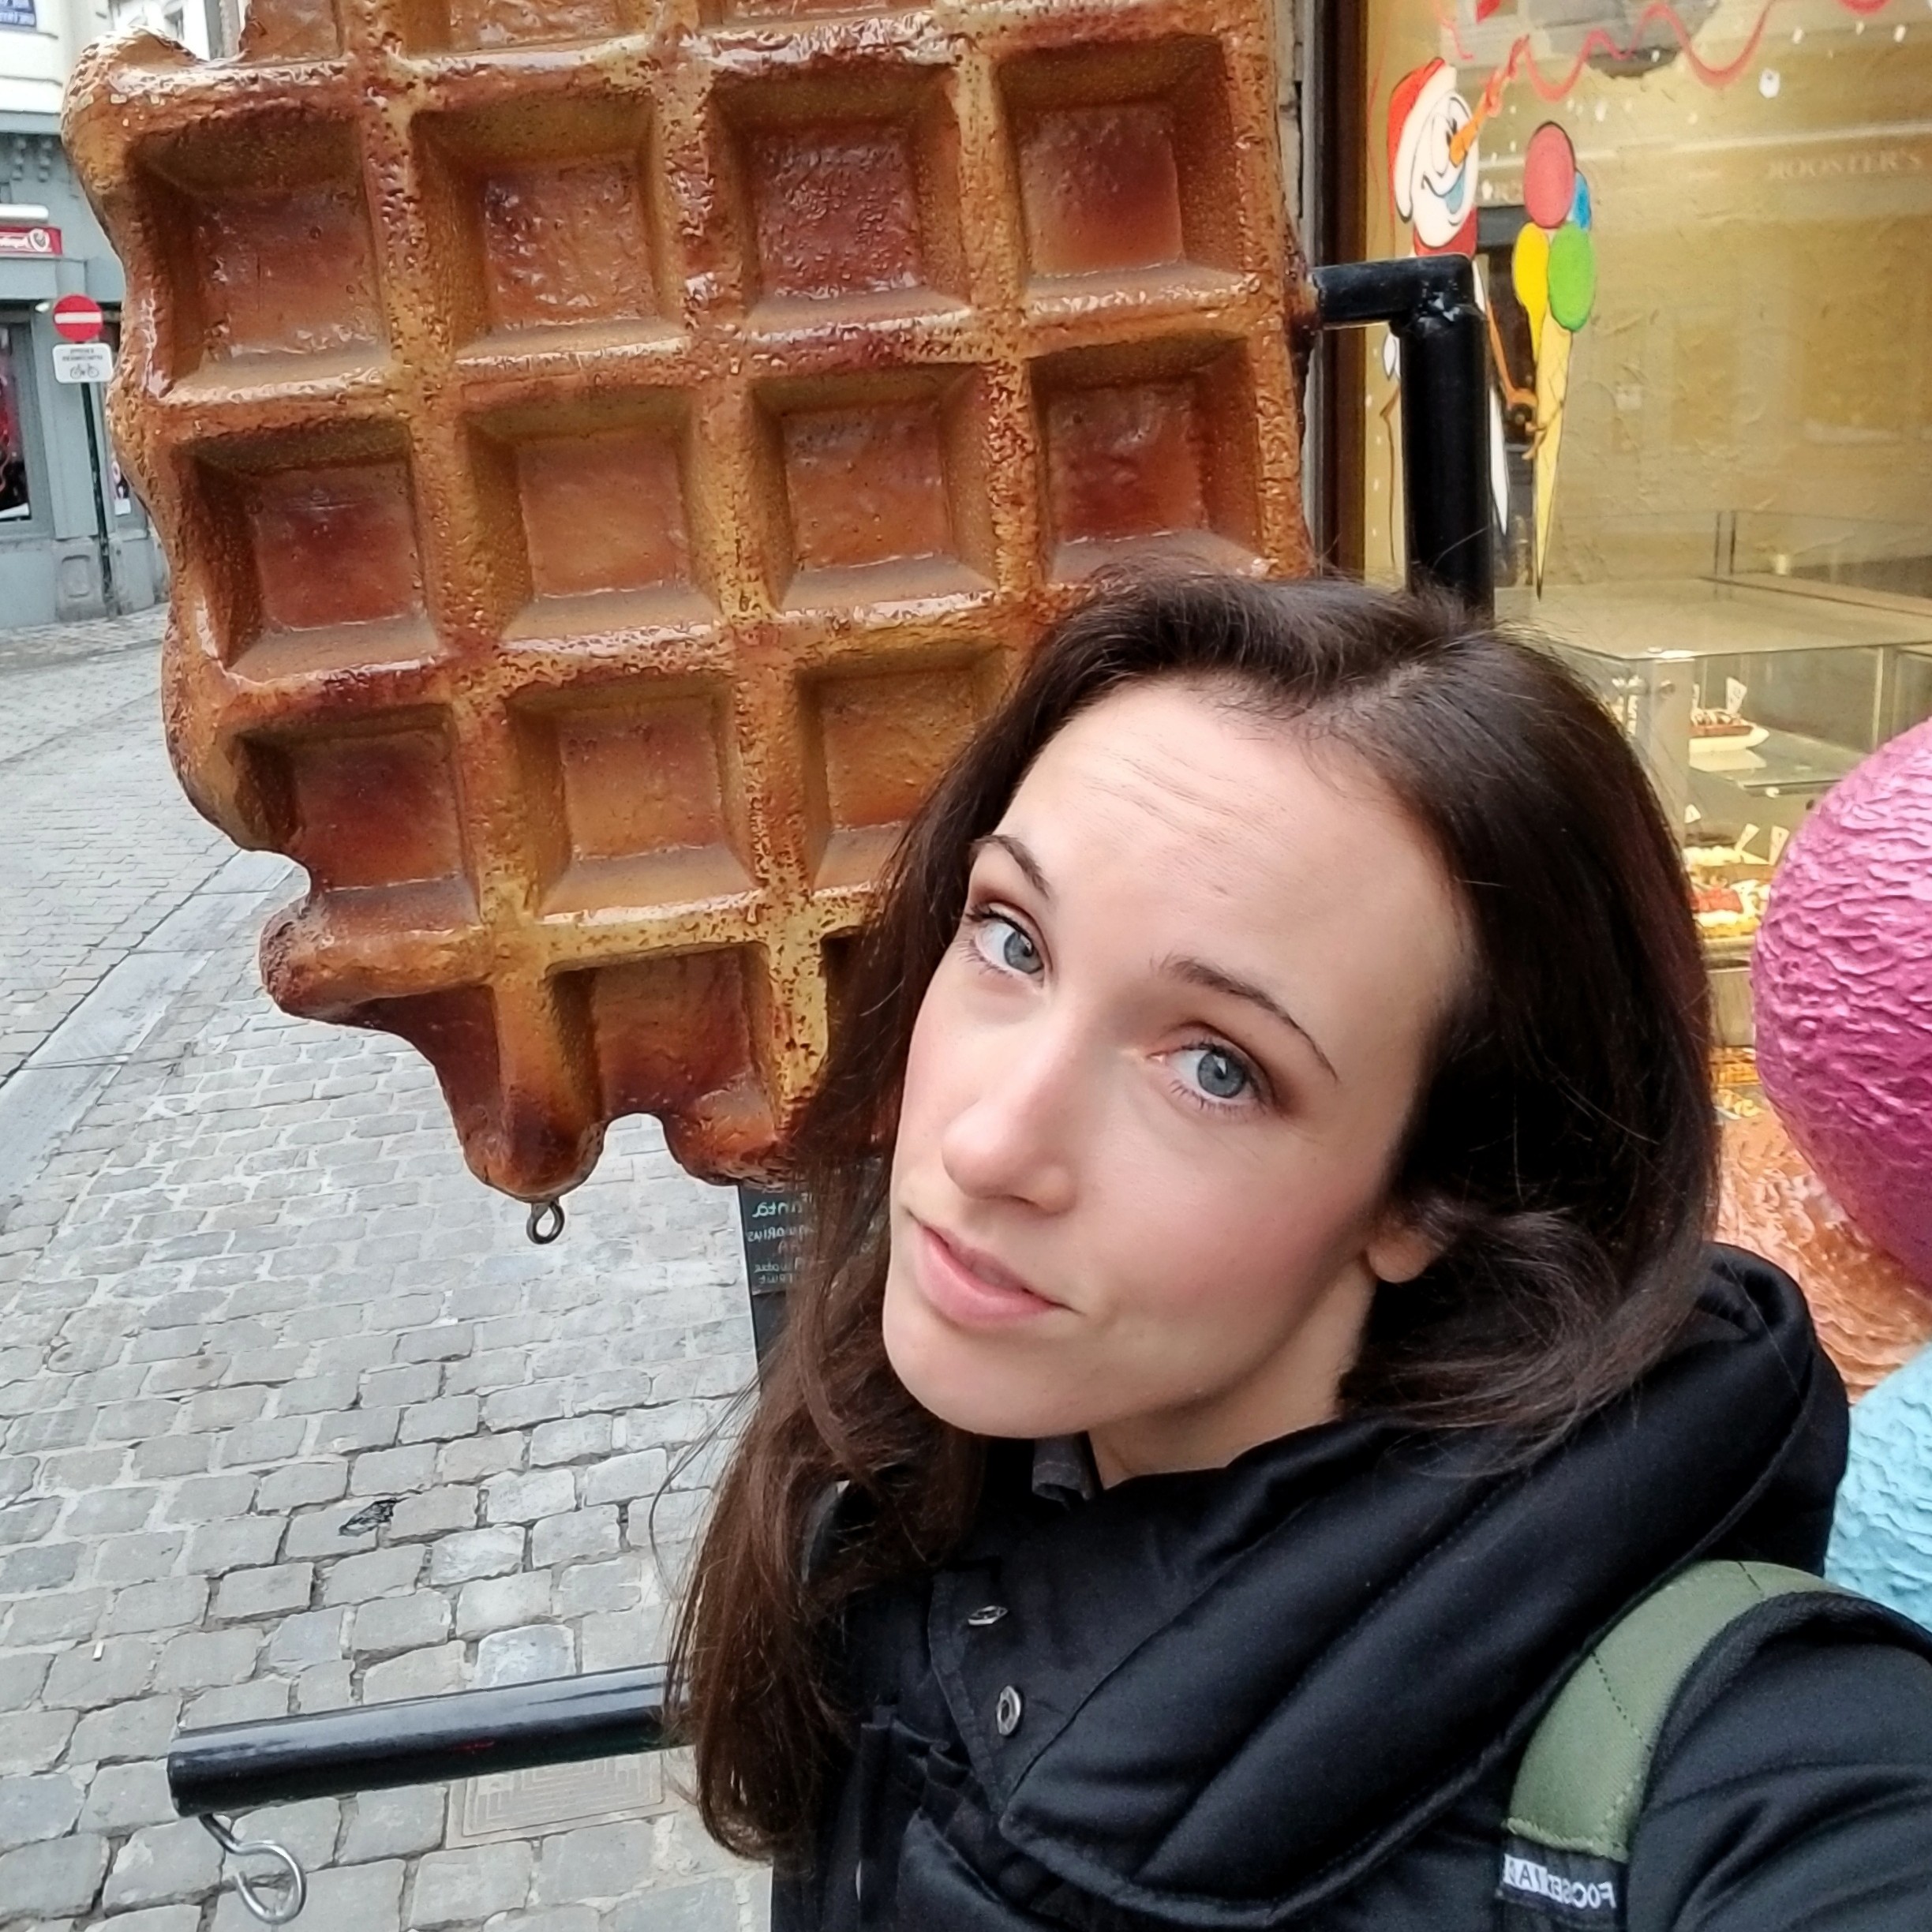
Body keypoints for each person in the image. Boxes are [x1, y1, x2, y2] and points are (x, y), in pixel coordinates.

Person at [668, 574, 1932, 1930]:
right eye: (1010, 937)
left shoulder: (1748, 1777)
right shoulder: (910, 1486)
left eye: (1216, 1066)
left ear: (1441, 1192)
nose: (987, 1147)